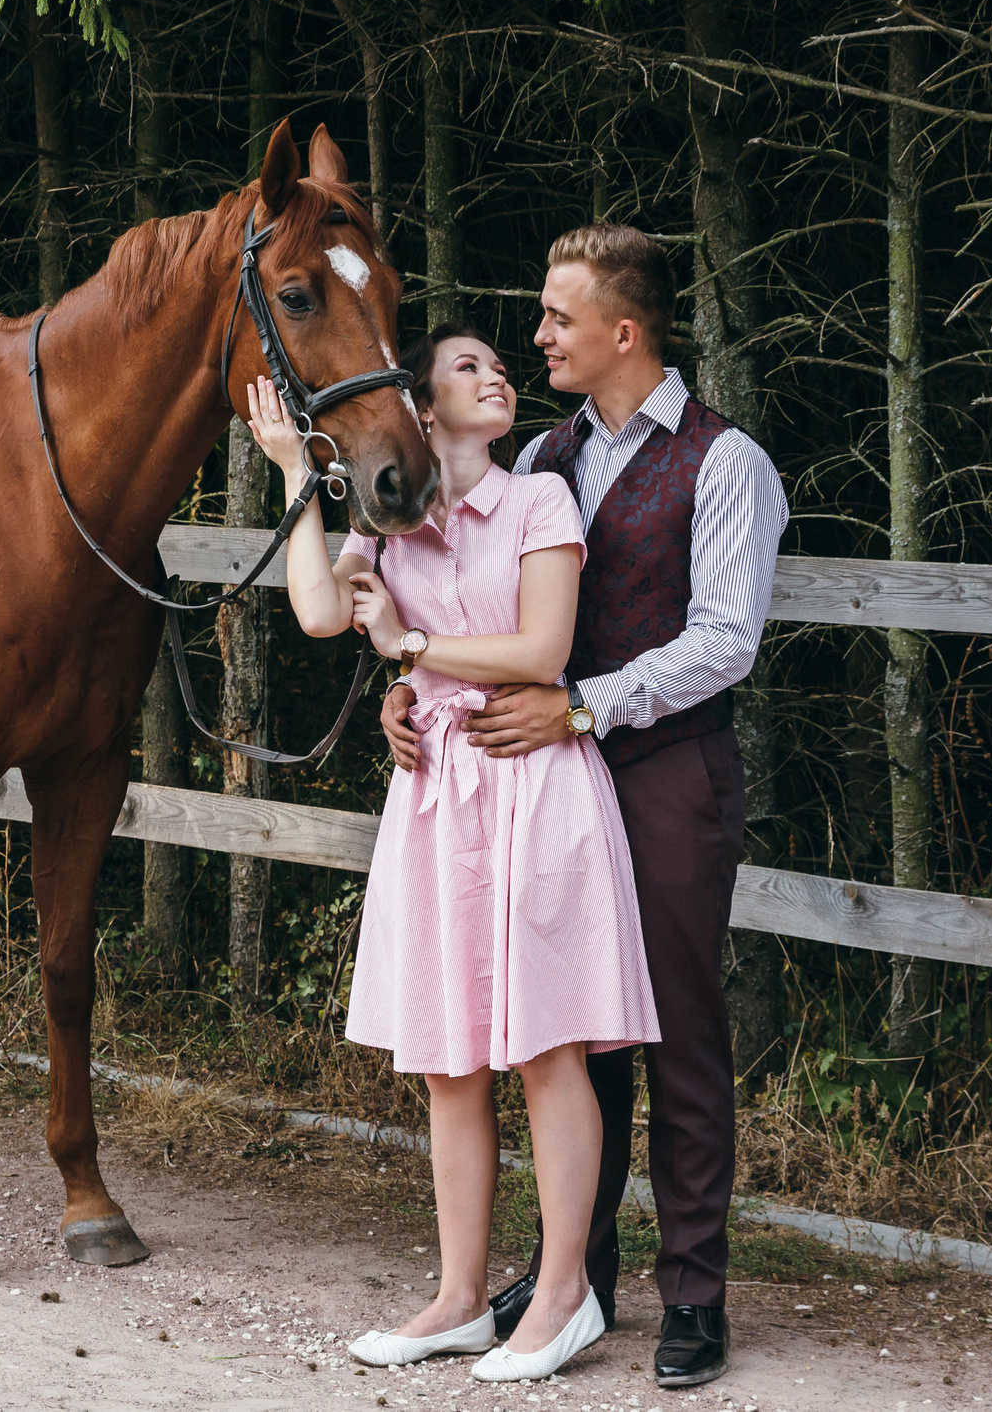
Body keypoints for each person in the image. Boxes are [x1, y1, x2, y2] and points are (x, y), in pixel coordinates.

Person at [382, 224, 786, 1390]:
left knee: (678, 1032)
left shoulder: (725, 462)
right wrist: (410, 695)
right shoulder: (543, 458)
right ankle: (578, 1280)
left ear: (624, 331)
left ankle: (693, 1293)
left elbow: (725, 640)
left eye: (558, 319)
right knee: (569, 1026)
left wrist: (582, 705)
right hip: (539, 777)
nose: (539, 336)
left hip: (664, 768)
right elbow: (466, 593)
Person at [240, 329, 659, 1385]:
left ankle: (563, 1294)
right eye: (467, 367)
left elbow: (542, 652)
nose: (496, 373)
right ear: (422, 411)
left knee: (548, 1047)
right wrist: (294, 472)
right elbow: (318, 611)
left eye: (496, 365)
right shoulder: (389, 524)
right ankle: (460, 1297)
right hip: (436, 801)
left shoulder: (539, 501)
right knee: (448, 1060)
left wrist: (412, 650)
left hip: (534, 786)